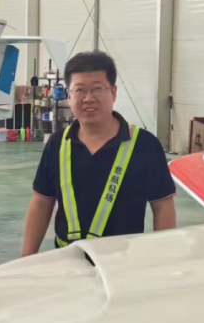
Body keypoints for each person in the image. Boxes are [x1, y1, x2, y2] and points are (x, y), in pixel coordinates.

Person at [22, 51, 177, 254]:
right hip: (67, 258)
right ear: (69, 96)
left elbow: (162, 206)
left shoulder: (145, 145)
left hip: (123, 260)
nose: (89, 98)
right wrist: (26, 258)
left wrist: (163, 259)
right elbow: (42, 203)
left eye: (97, 88)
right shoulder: (57, 143)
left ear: (113, 93)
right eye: (79, 90)